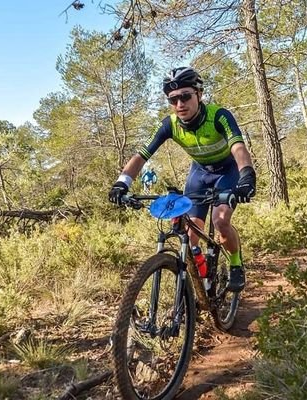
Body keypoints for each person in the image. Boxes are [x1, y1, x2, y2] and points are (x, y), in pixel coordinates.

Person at [109, 66, 256, 292]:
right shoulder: (170, 124)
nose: (179, 104)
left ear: (199, 94)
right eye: (173, 99)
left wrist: (247, 174)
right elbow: (141, 155)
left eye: (185, 96)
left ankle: (236, 263)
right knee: (189, 235)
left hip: (227, 171)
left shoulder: (219, 115)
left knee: (220, 221)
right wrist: (122, 182)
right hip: (199, 174)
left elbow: (237, 147)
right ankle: (202, 280)